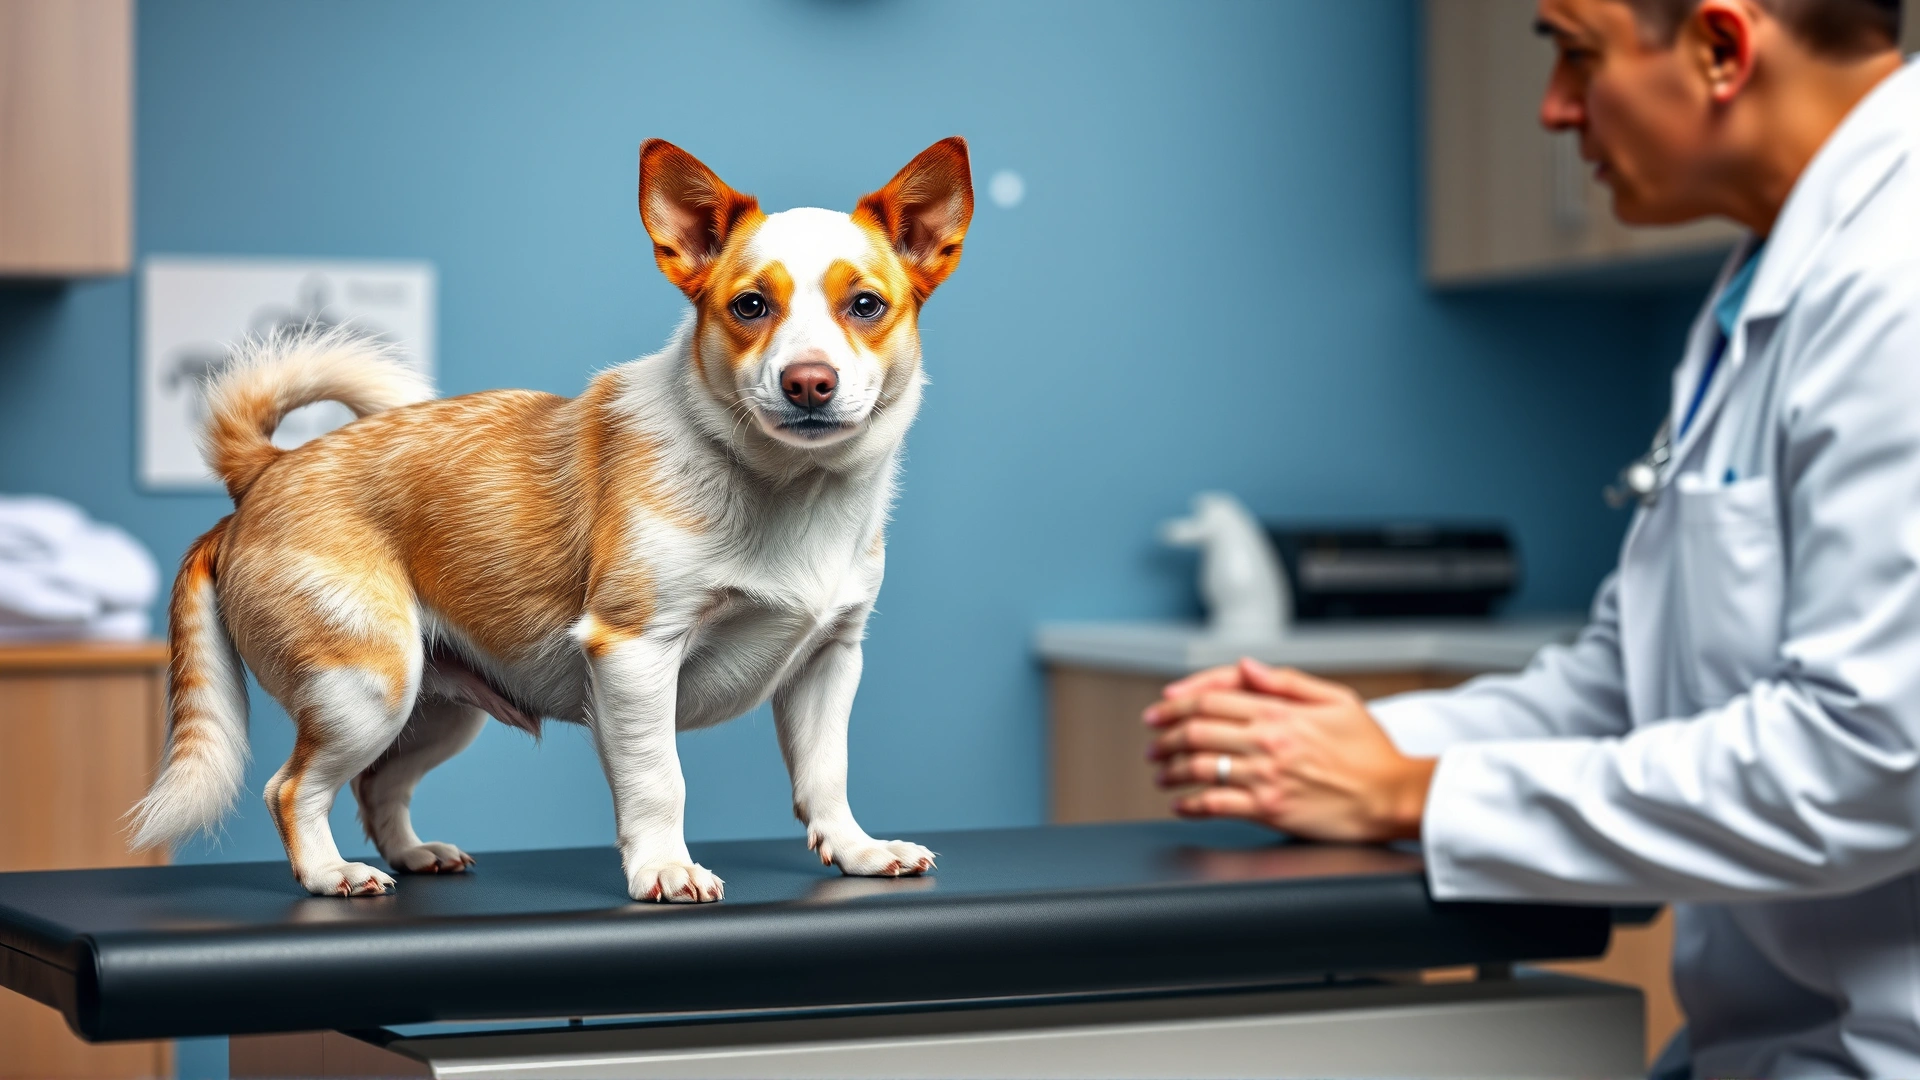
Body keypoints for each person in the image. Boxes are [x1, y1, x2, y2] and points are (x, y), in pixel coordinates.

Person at [1144, 1, 1916, 1074]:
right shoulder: (1771, 284)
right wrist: (1358, 746)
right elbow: (1620, 686)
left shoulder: (1898, 282)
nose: (1554, 109)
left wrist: (1407, 792)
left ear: (1721, 48)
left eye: (1575, 53)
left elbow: (1864, 760)